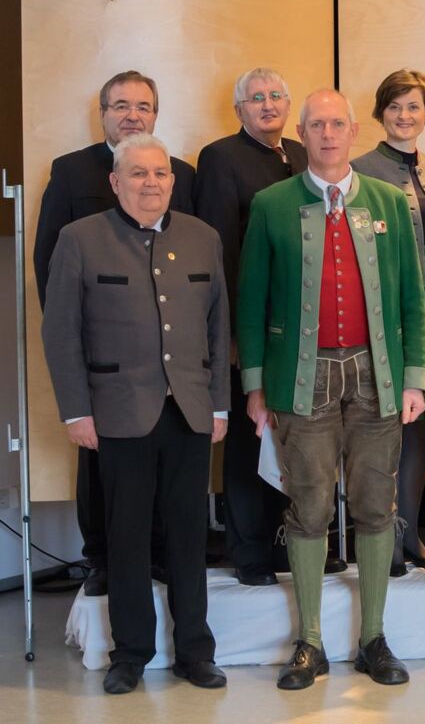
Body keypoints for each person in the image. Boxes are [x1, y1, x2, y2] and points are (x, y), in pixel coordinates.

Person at [238, 89, 425, 689]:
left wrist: (415, 378)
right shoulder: (271, 204)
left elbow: (412, 297)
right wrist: (254, 386)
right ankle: (311, 642)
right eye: (316, 125)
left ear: (353, 132)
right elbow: (251, 301)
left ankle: (374, 638)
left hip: (376, 375)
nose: (327, 134)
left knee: (376, 505)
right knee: (311, 504)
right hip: (302, 376)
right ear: (302, 134)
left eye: (337, 124)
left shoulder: (388, 202)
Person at [42, 134, 229, 694]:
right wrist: (76, 412)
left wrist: (219, 403)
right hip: (117, 411)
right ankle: (130, 653)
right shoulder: (79, 238)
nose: (152, 183)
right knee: (126, 538)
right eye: (139, 173)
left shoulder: (203, 237)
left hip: (190, 409)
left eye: (161, 173)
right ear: (115, 181)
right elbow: (61, 333)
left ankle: (195, 651)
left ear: (172, 181)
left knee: (189, 536)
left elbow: (218, 328)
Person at [32, 70, 195, 596]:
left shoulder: (180, 173)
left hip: (167, 354)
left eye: (143, 106)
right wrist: (73, 344)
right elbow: (47, 262)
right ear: (102, 114)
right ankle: (101, 559)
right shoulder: (71, 170)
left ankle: (159, 554)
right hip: (104, 355)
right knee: (99, 461)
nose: (132, 115)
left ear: (156, 114)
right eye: (121, 105)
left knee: (166, 459)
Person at [194, 67, 307, 586]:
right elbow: (219, 249)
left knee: (295, 435)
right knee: (247, 437)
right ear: (239, 109)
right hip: (250, 323)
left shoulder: (302, 154)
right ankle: (249, 550)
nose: (268, 104)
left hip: (301, 325)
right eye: (256, 98)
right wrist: (234, 334)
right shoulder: (221, 158)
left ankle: (289, 543)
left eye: (276, 95)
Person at [352, 69, 425, 576]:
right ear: (380, 112)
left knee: (421, 423)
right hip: (388, 300)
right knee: (383, 422)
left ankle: (411, 533)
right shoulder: (359, 169)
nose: (404, 115)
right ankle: (380, 537)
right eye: (394, 106)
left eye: (414, 106)